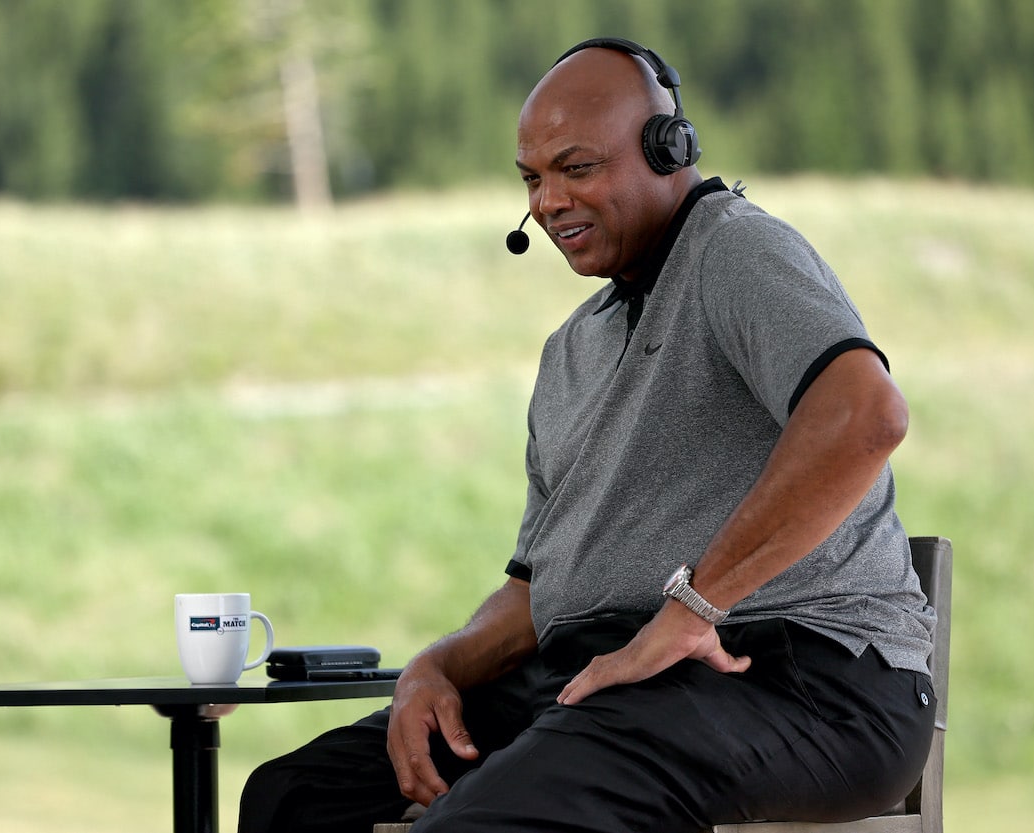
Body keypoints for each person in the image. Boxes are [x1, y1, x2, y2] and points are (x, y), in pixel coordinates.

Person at [238, 37, 936, 833]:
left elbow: (865, 415)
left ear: (668, 150)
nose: (548, 201)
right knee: (292, 798)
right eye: (532, 179)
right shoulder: (571, 348)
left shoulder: (735, 249)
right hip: (611, 680)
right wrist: (434, 668)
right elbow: (537, 593)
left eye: (577, 168)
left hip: (804, 683)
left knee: (482, 821)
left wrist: (691, 606)